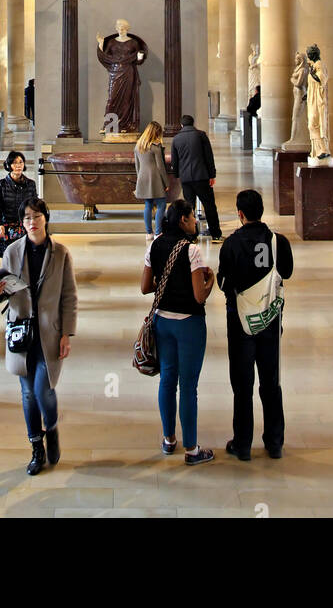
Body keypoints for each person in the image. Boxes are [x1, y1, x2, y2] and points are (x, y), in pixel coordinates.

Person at [0, 198, 77, 475]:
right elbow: (7, 291)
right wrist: (0, 291)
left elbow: (69, 296)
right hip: (21, 331)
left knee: (44, 389)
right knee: (28, 393)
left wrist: (66, 332)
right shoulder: (12, 252)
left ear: (46, 218)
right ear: (22, 222)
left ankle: (51, 427)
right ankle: (36, 448)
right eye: (27, 218)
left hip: (49, 331)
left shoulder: (61, 253)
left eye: (37, 216)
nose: (32, 222)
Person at [217, 189, 294, 461]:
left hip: (240, 324)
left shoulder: (231, 244)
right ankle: (274, 442)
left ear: (240, 214)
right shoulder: (278, 242)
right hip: (270, 321)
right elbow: (286, 272)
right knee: (271, 382)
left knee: (242, 385)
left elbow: (224, 284)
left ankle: (243, 443)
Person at [140, 199, 215, 465]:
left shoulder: (155, 244)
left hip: (163, 322)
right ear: (183, 220)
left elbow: (145, 287)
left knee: (168, 380)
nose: (195, 221)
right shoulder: (192, 250)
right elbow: (198, 296)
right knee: (189, 387)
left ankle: (169, 439)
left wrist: (167, 284)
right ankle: (192, 449)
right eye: (192, 217)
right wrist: (211, 281)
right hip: (188, 324)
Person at [170, 114, 222, 242]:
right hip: (202, 176)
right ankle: (215, 234)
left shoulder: (176, 139)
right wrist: (212, 174)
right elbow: (209, 157)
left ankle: (192, 236)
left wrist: (177, 175)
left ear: (181, 125)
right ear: (193, 123)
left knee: (189, 207)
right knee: (209, 205)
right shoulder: (201, 135)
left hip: (186, 178)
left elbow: (174, 161)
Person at [0, 149, 38, 258]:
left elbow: (34, 205)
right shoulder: (1, 184)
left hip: (24, 227)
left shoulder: (31, 184)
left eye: (20, 162)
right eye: (14, 163)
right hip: (6, 227)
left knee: (25, 257)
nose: (18, 165)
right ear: (9, 165)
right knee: (8, 258)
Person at [134, 120, 169, 241]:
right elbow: (160, 166)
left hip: (142, 177)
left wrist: (139, 179)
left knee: (148, 205)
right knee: (161, 205)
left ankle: (148, 232)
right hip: (155, 178)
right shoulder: (156, 147)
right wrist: (166, 182)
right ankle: (158, 232)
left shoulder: (138, 146)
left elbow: (137, 166)